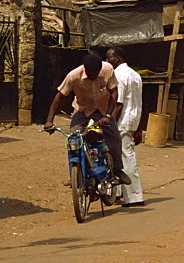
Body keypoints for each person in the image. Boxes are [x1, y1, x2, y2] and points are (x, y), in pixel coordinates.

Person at [44, 53, 131, 185]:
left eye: (96, 74)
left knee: (114, 140)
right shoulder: (73, 76)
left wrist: (108, 115)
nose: (93, 77)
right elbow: (60, 97)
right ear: (85, 68)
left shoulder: (107, 69)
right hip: (82, 110)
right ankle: (76, 173)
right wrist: (49, 120)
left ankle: (117, 170)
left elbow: (114, 92)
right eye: (90, 74)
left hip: (103, 109)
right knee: (74, 139)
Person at [106, 47, 144, 207]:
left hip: (122, 121)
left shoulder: (119, 76)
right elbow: (139, 101)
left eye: (109, 58)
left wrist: (109, 122)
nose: (107, 61)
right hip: (133, 119)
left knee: (126, 157)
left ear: (118, 59)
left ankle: (134, 196)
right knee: (120, 156)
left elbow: (118, 103)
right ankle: (120, 191)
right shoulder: (135, 75)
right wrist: (139, 127)